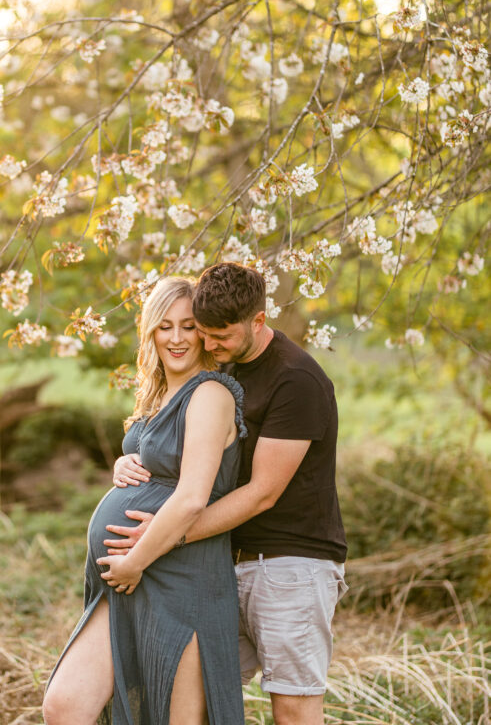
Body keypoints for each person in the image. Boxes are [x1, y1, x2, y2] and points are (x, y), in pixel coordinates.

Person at [107, 262, 348, 725]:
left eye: (221, 336)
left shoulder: (295, 380)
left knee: (293, 707)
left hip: (289, 565)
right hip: (221, 561)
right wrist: (129, 460)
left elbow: (261, 494)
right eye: (205, 333)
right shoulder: (222, 371)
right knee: (188, 695)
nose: (209, 345)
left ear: (258, 321)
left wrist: (165, 535)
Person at [42, 275, 248, 725]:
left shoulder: (210, 394)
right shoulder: (158, 395)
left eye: (189, 326)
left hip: (179, 578)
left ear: (205, 332)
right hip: (122, 584)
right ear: (150, 331)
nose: (176, 338)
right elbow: (159, 461)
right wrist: (124, 464)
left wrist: (135, 560)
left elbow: (193, 498)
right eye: (164, 326)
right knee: (65, 706)